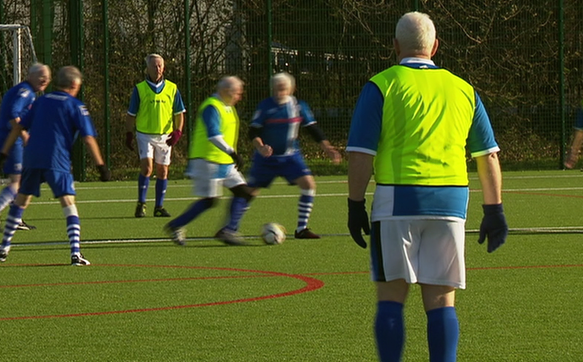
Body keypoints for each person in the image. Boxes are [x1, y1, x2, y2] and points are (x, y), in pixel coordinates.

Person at [346, 12, 508, 362]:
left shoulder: (383, 84)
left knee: (391, 299)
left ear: (395, 47)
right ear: (435, 47)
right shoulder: (464, 89)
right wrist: (494, 210)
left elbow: (361, 154)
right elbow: (488, 156)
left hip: (396, 200)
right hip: (450, 203)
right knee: (441, 302)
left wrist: (354, 203)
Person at [0, 66, 111, 266]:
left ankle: (4, 247)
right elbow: (88, 138)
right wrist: (101, 166)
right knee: (68, 202)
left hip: (31, 158)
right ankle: (75, 253)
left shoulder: (40, 101)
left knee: (21, 200)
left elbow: (19, 127)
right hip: (57, 159)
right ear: (74, 84)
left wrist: (3, 154)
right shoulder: (75, 105)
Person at [247, 72, 341, 239]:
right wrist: (261, 147)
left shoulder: (298, 106)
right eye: (276, 89)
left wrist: (327, 148)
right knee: (249, 192)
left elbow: (313, 129)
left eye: (282, 89)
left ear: (291, 89)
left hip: (290, 156)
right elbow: (253, 131)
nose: (279, 92)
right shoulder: (265, 106)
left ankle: (301, 229)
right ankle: (230, 228)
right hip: (266, 159)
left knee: (308, 184)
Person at [164, 76, 253, 246]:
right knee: (210, 201)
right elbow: (214, 135)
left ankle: (228, 231)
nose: (239, 97)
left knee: (245, 193)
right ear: (227, 91)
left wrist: (231, 156)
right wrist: (233, 153)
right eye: (237, 93)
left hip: (225, 163)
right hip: (207, 161)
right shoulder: (212, 107)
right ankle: (175, 225)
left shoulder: (228, 107)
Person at [0, 63, 51, 232]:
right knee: (17, 181)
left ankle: (16, 217)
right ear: (30, 75)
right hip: (11, 140)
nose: (45, 80)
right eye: (41, 76)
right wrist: (24, 135)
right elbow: (13, 113)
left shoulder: (26, 91)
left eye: (48, 77)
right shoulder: (25, 92)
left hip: (8, 138)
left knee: (22, 178)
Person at [125, 53, 186, 218]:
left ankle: (159, 206)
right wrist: (129, 133)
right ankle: (141, 203)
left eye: (160, 65)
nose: (157, 69)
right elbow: (131, 114)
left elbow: (179, 113)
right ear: (147, 68)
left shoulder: (172, 88)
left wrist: (177, 132)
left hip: (164, 136)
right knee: (147, 168)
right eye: (154, 65)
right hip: (145, 134)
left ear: (164, 67)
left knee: (163, 171)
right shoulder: (140, 89)